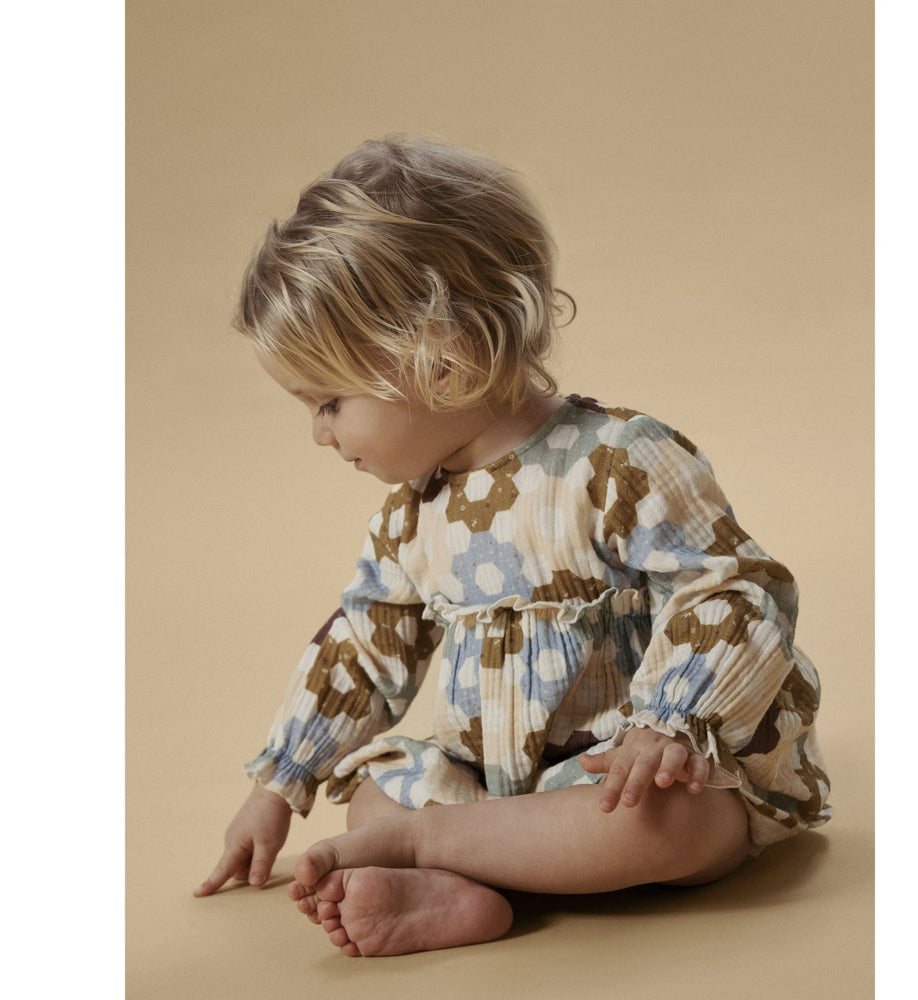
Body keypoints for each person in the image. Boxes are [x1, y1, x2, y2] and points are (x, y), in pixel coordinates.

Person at [194, 136, 831, 957]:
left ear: (442, 358)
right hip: (496, 788)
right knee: (375, 796)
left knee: (668, 821)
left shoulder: (617, 460)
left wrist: (673, 723)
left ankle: (435, 853)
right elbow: (360, 650)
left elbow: (733, 590)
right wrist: (280, 783)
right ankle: (468, 876)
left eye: (328, 403)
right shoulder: (410, 518)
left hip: (623, 771)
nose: (321, 435)